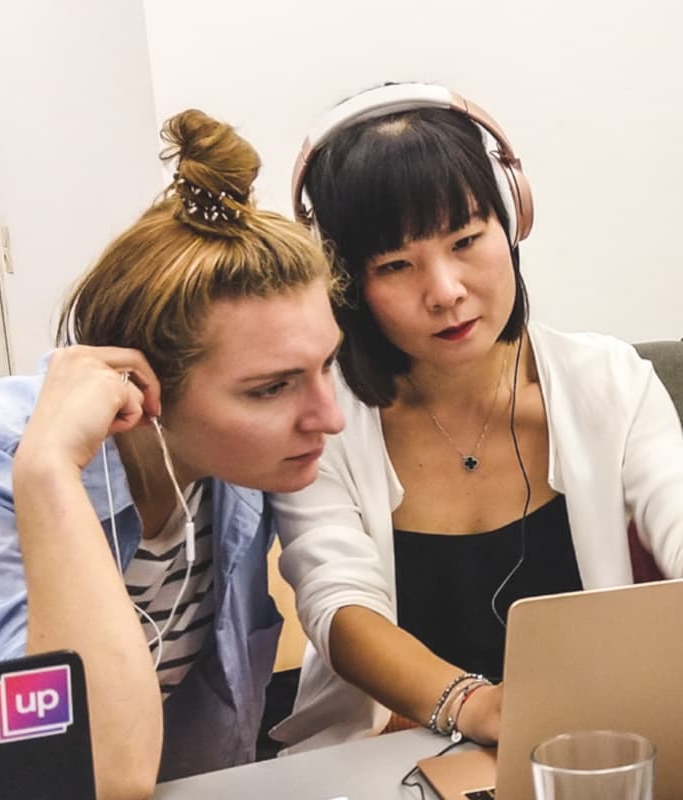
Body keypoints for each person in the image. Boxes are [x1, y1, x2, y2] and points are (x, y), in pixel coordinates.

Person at [0, 108, 344, 798]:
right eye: (271, 388)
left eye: (326, 367)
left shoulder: (243, 463)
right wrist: (47, 475)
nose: (327, 417)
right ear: (145, 387)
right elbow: (96, 767)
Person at [269, 82, 683, 754]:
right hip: (384, 754)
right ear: (343, 279)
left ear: (512, 220)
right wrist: (476, 705)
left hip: (583, 751)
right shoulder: (323, 417)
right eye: (396, 264)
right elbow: (336, 605)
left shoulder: (608, 382)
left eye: (466, 239)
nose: (445, 291)